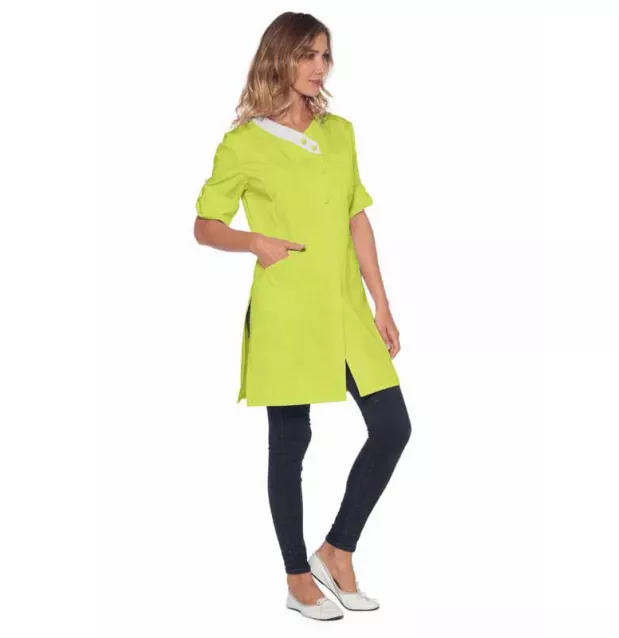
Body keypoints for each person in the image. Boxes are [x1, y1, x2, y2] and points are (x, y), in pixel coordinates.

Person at [193, 12, 412, 621]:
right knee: (292, 443)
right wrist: (254, 242)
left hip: (344, 306)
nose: (319, 67)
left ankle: (336, 551)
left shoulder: (339, 133)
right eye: (307, 55)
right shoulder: (244, 143)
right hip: (288, 308)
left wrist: (381, 300)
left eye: (324, 55)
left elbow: (356, 218)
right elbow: (205, 226)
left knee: (393, 427)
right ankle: (297, 578)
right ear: (279, 59)